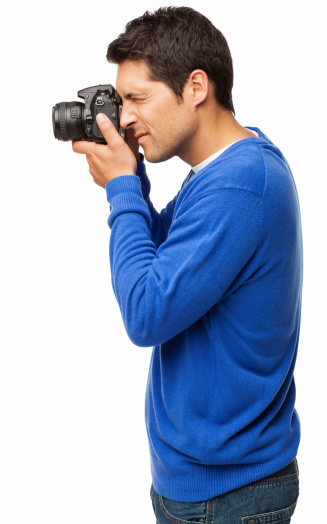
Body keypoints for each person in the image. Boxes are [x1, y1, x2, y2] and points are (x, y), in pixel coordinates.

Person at [72, 6, 302, 523]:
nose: (123, 116)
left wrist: (122, 190)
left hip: (229, 494)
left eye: (137, 98)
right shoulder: (221, 171)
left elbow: (147, 313)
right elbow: (165, 266)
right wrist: (132, 179)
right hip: (206, 482)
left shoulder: (239, 185)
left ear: (195, 86)